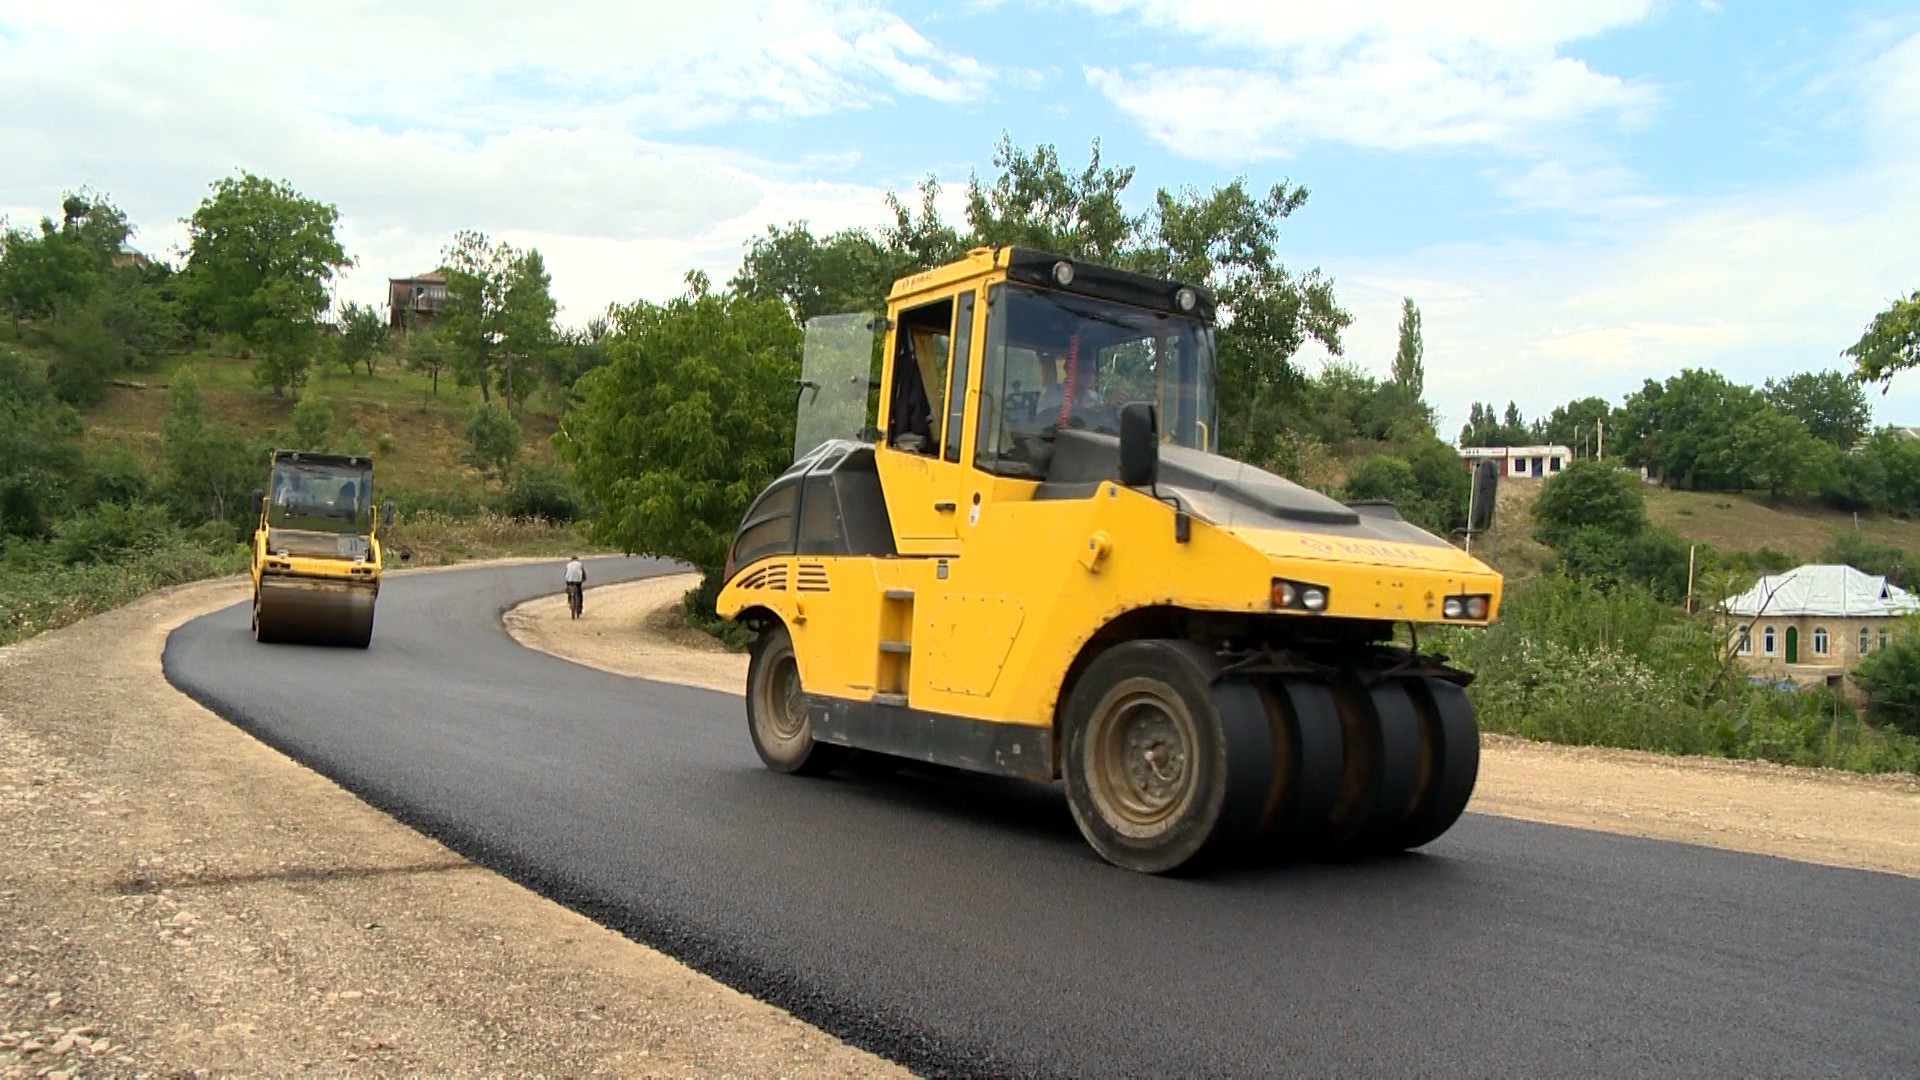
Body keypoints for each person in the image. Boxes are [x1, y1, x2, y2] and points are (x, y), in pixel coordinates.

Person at [564, 555, 586, 619]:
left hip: (569, 581)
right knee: (579, 594)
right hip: (578, 582)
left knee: (569, 589)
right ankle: (580, 608)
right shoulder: (580, 564)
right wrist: (583, 579)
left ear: (571, 559)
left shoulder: (568, 565)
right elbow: (583, 574)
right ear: (577, 559)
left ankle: (569, 599)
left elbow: (565, 574)